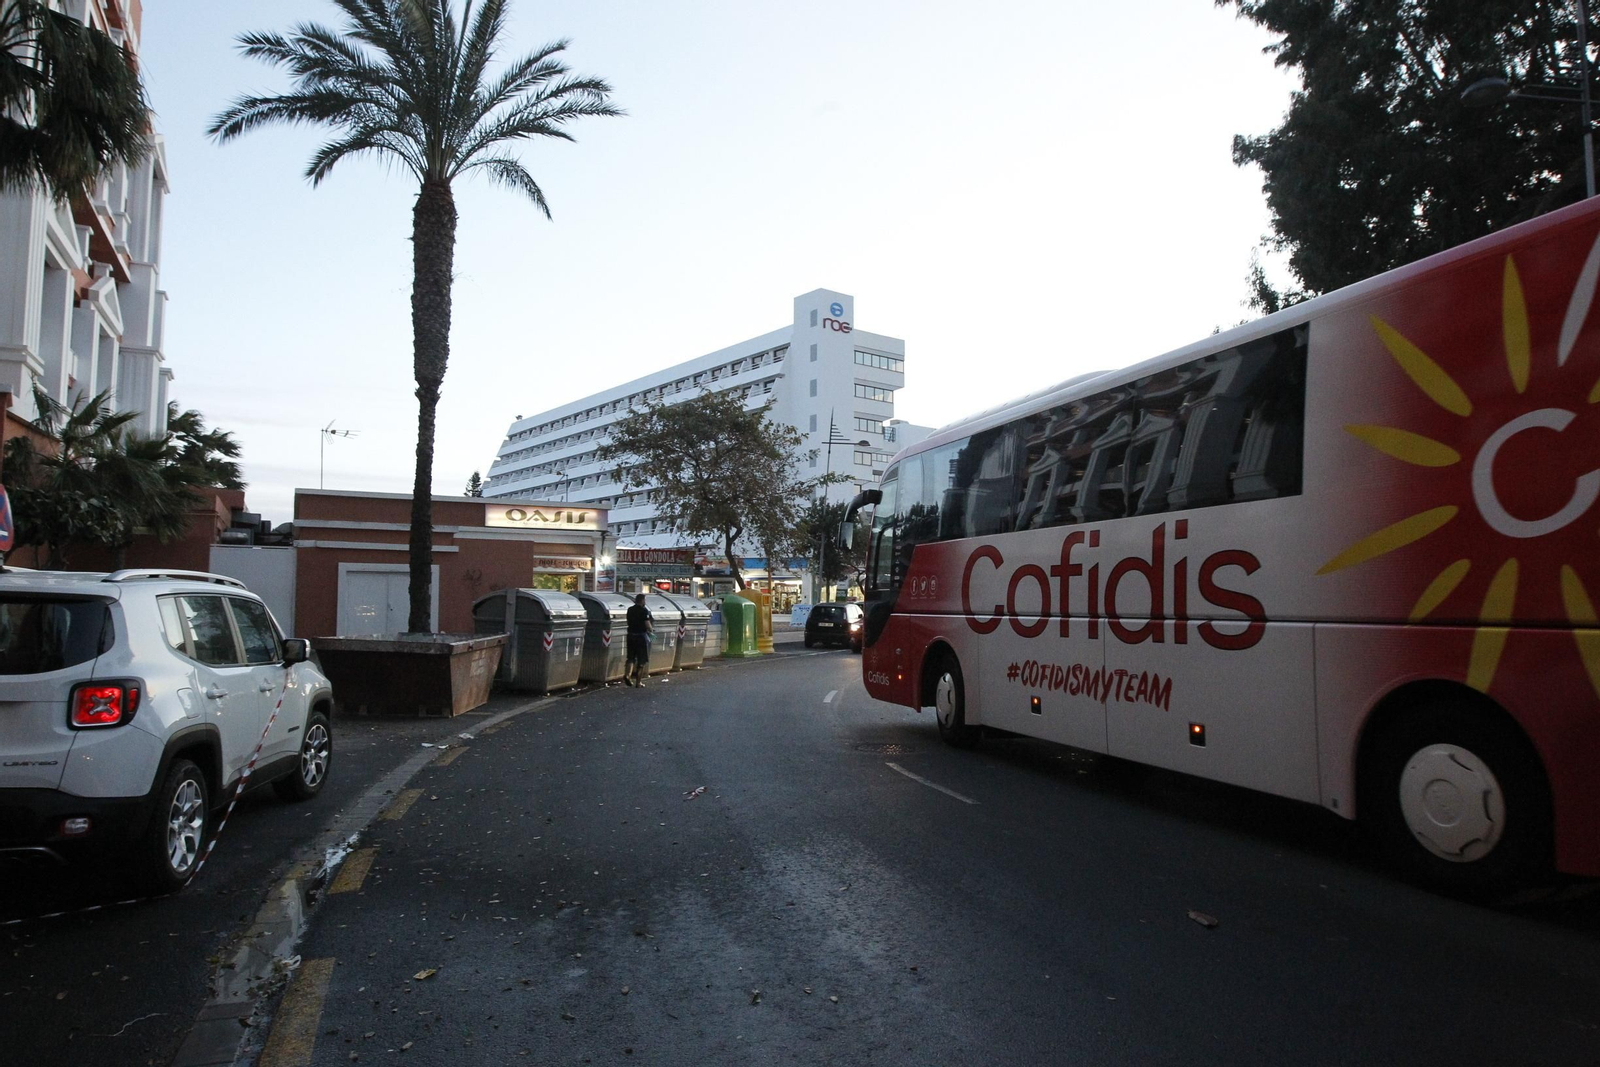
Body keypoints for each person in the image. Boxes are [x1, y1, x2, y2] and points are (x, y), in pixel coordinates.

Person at [625, 592, 653, 686]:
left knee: (630, 658)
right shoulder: (644, 610)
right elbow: (647, 624)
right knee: (641, 659)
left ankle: (627, 675)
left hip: (630, 635)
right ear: (642, 601)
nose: (645, 602)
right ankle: (638, 682)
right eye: (644, 600)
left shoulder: (630, 610)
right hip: (641, 636)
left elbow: (628, 621)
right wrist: (651, 630)